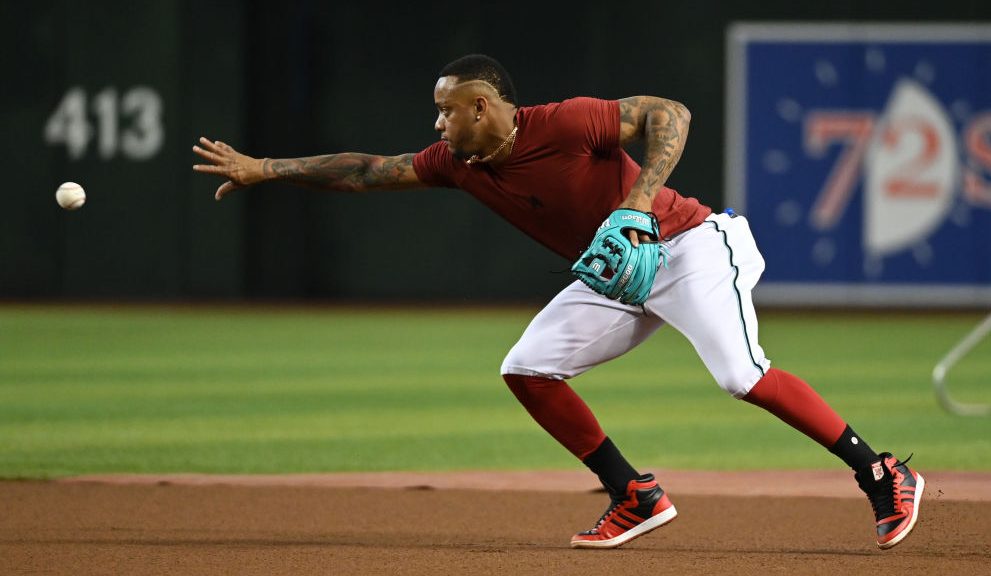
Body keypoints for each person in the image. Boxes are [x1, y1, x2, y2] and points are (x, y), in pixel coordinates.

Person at [192, 54, 924, 550]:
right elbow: (366, 172)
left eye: (447, 112)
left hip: (689, 244)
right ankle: (634, 493)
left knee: (740, 374)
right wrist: (266, 168)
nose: (438, 126)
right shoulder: (457, 164)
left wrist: (638, 202)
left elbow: (671, 112)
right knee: (528, 366)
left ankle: (880, 471)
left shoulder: (565, 123)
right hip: (614, 273)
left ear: (482, 106)